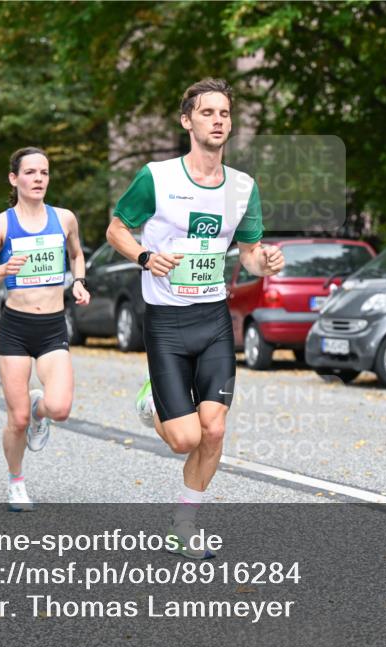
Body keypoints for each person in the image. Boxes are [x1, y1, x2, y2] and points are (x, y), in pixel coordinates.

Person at [106, 79, 284, 558]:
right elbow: (116, 228)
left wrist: (263, 262)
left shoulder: (243, 187)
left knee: (215, 429)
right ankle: (153, 406)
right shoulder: (157, 178)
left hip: (213, 321)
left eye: (224, 113)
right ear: (188, 121)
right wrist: (144, 256)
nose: (218, 121)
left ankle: (185, 521)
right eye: (207, 113)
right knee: (185, 438)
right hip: (165, 320)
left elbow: (247, 255)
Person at [0, 147, 90, 512]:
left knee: (60, 407)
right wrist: (3, 270)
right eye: (30, 172)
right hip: (16, 328)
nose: (39, 178)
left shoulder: (65, 218)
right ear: (14, 179)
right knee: (17, 418)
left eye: (44, 172)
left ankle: (41, 410)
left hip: (53, 324)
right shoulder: (1, 224)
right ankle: (16, 482)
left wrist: (79, 281)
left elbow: (76, 254)